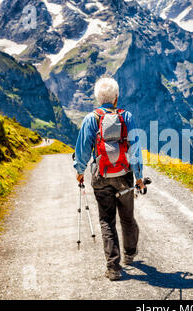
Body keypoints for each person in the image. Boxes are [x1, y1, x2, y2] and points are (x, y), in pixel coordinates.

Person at [73, 77, 145, 281]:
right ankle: (130, 255)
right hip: (123, 176)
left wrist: (79, 170)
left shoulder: (91, 118)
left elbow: (83, 149)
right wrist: (138, 177)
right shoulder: (127, 117)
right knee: (127, 217)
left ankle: (113, 268)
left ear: (98, 98)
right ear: (116, 97)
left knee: (107, 220)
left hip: (101, 176)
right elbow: (135, 149)